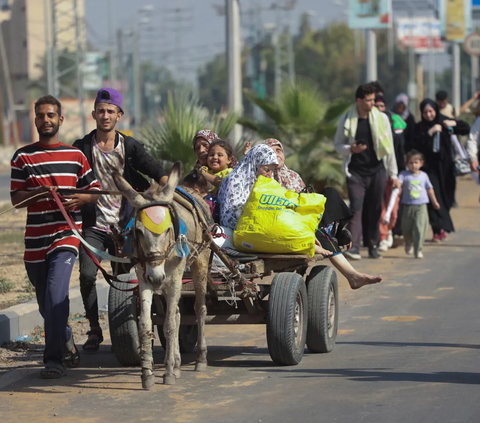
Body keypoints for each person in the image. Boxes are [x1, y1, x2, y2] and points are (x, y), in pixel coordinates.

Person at [10, 95, 101, 378]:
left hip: (65, 236)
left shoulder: (76, 156)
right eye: (41, 116)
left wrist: (82, 198)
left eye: (51, 115)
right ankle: (66, 339)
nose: (46, 120)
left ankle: (53, 360)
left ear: (60, 120)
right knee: (45, 304)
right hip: (35, 240)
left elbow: (94, 190)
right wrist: (39, 192)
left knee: (56, 294)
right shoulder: (22, 156)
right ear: (35, 120)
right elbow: (16, 199)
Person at [73, 88, 168, 353]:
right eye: (101, 111)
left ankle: (127, 331)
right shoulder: (80, 147)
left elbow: (155, 170)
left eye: (110, 111)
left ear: (119, 116)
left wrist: (167, 187)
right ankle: (94, 328)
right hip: (94, 225)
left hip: (127, 225)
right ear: (93, 114)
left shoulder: (130, 146)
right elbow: (67, 178)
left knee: (125, 280)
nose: (105, 116)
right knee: (86, 274)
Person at [219, 143, 382, 289]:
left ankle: (331, 242)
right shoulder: (238, 181)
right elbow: (238, 216)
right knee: (313, 232)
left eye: (279, 151)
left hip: (271, 224)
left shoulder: (272, 179)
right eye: (266, 169)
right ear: (254, 163)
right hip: (251, 233)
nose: (268, 174)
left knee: (329, 196)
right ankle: (349, 271)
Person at [334, 83, 400, 260]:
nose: (372, 103)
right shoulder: (347, 119)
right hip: (355, 172)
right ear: (359, 100)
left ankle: (373, 245)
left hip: (378, 170)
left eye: (373, 100)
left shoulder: (381, 119)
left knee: (375, 208)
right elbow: (338, 145)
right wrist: (351, 149)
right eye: (369, 100)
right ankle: (354, 247)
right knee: (355, 208)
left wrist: (393, 174)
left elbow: (389, 148)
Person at [413, 99, 470, 241]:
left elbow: (466, 128)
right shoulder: (420, 127)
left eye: (431, 111)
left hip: (446, 167)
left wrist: (454, 123)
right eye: (425, 112)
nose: (428, 115)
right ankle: (437, 229)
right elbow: (415, 144)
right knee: (434, 198)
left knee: (447, 197)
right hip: (429, 168)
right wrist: (430, 132)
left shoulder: (444, 121)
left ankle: (442, 225)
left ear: (435, 111)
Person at [375, 94, 406, 252]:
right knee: (382, 209)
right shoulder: (371, 131)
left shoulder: (396, 133)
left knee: (393, 210)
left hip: (394, 175)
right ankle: (383, 236)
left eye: (381, 106)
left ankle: (390, 231)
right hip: (378, 175)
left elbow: (397, 155)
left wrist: (397, 175)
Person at [399, 150, 440, 259]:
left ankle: (418, 249)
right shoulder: (404, 175)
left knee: (419, 228)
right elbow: (399, 184)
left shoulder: (424, 176)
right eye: (411, 163)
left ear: (421, 163)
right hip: (407, 206)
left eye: (416, 162)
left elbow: (430, 189)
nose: (413, 165)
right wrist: (396, 187)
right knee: (406, 228)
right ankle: (408, 242)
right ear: (407, 164)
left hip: (421, 206)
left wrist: (434, 202)